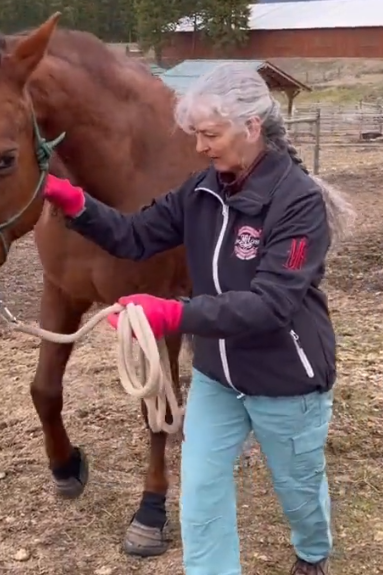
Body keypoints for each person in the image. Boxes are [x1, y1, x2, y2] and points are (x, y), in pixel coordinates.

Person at [42, 62, 355, 575]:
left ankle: (313, 550)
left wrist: (173, 313)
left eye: (210, 134)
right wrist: (78, 205)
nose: (199, 147)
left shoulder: (298, 202)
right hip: (216, 376)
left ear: (250, 127)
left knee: (298, 489)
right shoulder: (202, 190)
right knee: (201, 494)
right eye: (196, 134)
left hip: (286, 378)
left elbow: (272, 303)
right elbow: (135, 235)